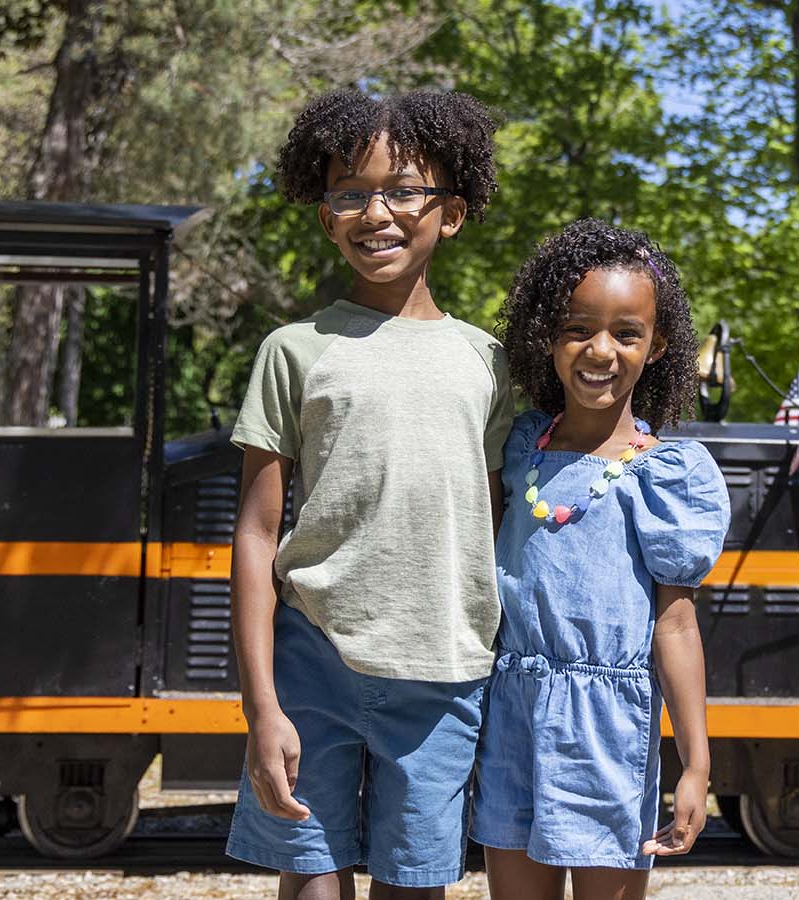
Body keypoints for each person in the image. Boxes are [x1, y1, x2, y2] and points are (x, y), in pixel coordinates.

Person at [226, 88, 513, 900]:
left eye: (402, 190)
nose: (374, 211)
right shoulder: (295, 350)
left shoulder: (488, 363)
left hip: (444, 667)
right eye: (350, 192)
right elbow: (255, 534)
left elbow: (493, 523)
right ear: (325, 218)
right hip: (311, 657)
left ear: (451, 213)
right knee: (312, 880)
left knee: (415, 883)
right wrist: (261, 704)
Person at [472, 219, 732, 900]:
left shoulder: (663, 474)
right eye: (577, 327)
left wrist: (696, 764)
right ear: (546, 336)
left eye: (626, 332)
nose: (600, 350)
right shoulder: (521, 445)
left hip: (608, 729)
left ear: (659, 344)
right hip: (514, 711)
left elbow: (674, 627)